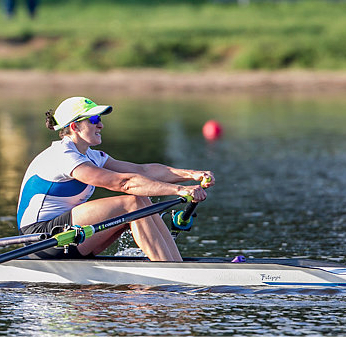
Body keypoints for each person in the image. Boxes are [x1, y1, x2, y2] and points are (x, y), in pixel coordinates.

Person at [16, 96, 214, 261]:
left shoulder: (92, 156)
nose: (101, 125)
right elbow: (124, 183)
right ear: (75, 126)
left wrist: (191, 175)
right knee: (132, 203)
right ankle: (170, 272)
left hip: (70, 236)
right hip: (40, 239)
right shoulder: (63, 155)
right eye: (94, 120)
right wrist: (181, 191)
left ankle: (173, 263)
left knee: (142, 202)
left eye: (100, 119)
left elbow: (143, 170)